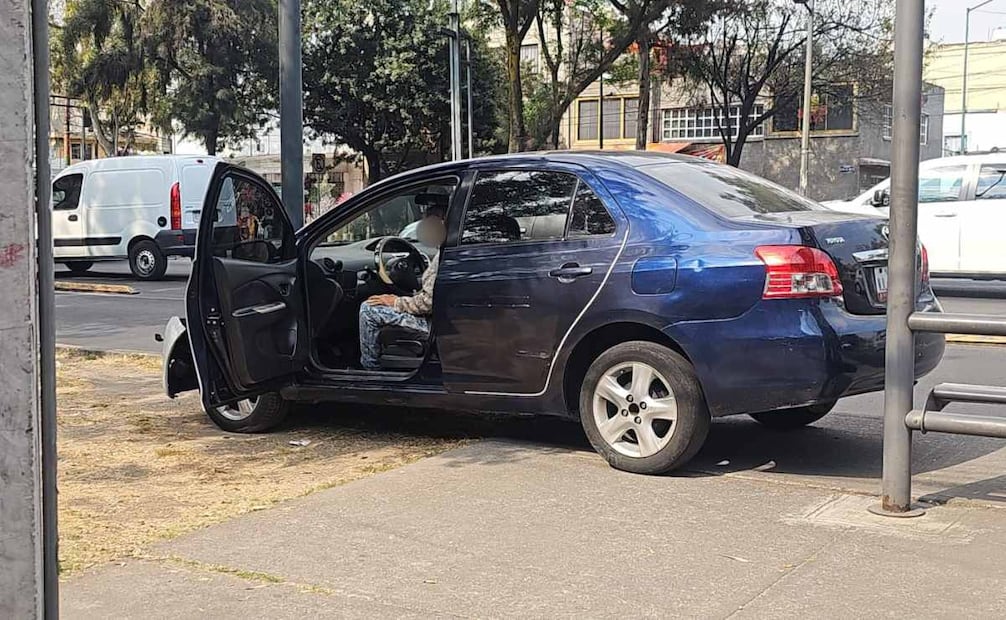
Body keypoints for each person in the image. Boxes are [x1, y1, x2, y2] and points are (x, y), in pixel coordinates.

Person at [358, 203, 447, 369]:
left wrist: (396, 302)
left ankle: (370, 368)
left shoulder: (446, 253)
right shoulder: (445, 250)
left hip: (432, 324)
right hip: (440, 320)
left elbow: (428, 302)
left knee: (368, 309)